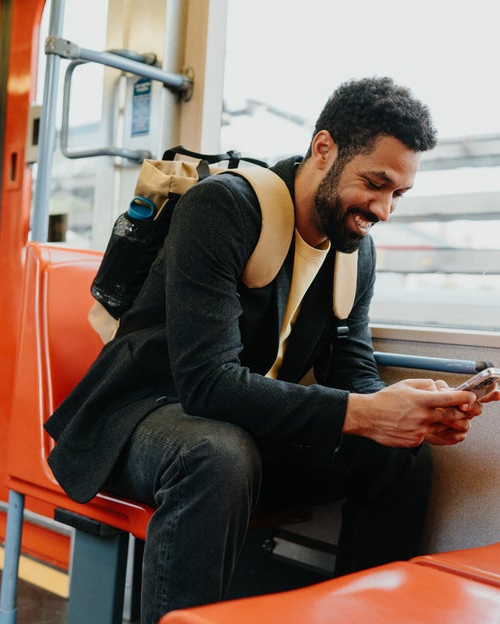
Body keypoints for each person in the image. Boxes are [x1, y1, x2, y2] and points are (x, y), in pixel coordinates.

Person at [44, 76, 496, 623]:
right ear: (324, 148)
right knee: (218, 453)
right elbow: (207, 383)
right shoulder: (223, 209)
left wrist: (402, 413)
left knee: (399, 459)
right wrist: (364, 413)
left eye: (398, 194)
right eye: (375, 183)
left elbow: (351, 366)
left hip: (236, 427)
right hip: (143, 416)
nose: (383, 210)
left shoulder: (354, 250)